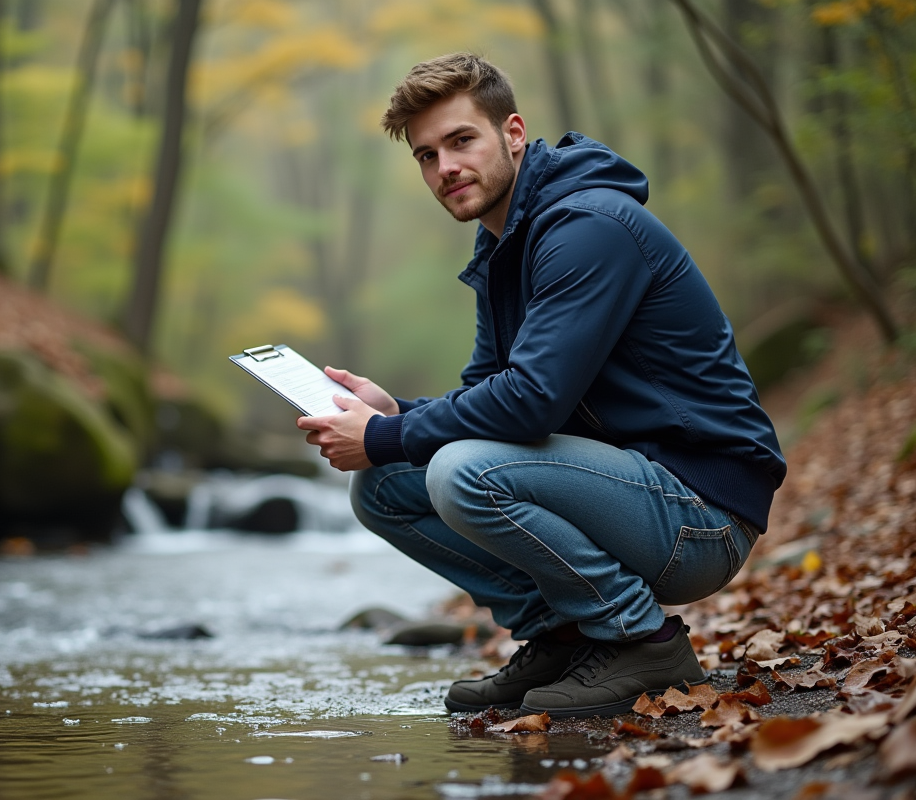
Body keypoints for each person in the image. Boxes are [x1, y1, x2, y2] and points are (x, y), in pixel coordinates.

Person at [294, 53, 787, 718]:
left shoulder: (587, 228)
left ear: (514, 133)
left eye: (462, 141)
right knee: (383, 485)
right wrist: (397, 414)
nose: (446, 169)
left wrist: (386, 434)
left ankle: (644, 641)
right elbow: (488, 392)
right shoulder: (504, 247)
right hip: (630, 487)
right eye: (427, 155)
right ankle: (563, 635)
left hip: (702, 510)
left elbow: (531, 402)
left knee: (460, 472)